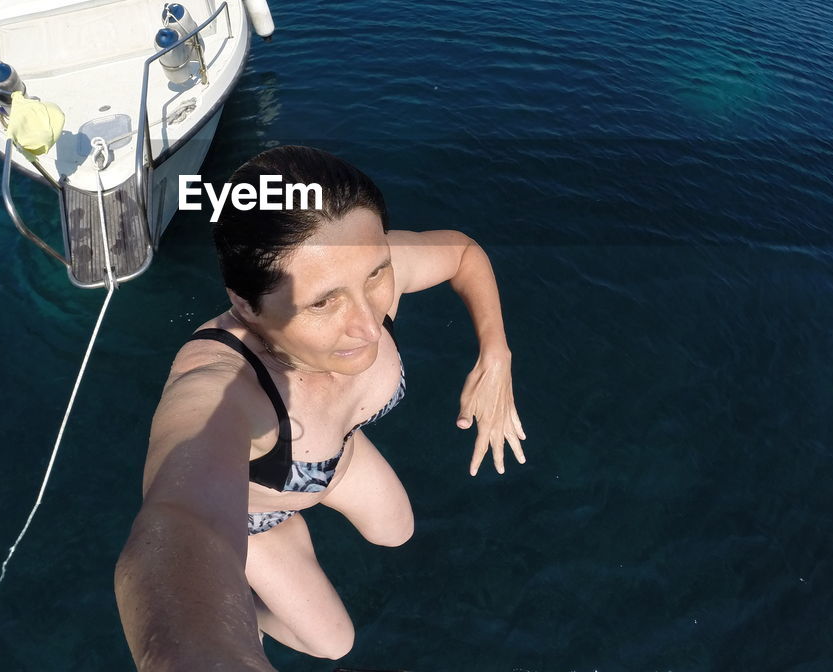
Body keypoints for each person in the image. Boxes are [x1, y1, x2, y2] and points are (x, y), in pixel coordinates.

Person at [115, 146, 525, 670]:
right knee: (334, 643)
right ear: (245, 305)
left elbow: (464, 254)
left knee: (396, 531)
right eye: (322, 301)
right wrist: (208, 648)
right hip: (254, 517)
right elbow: (172, 529)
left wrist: (496, 355)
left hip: (335, 458)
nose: (368, 325)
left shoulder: (368, 272)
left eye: (375, 274)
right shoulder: (225, 388)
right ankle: (243, 602)